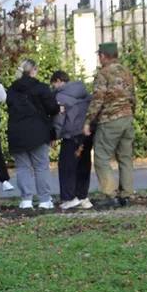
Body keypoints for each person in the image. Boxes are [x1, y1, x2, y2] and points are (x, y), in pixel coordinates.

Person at [83, 42, 137, 208]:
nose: (99, 58)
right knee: (125, 158)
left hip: (110, 120)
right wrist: (130, 113)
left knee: (101, 157)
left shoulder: (103, 74)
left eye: (99, 55)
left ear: (104, 56)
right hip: (127, 118)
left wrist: (88, 121)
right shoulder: (126, 72)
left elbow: (98, 99)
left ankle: (110, 194)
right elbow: (133, 97)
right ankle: (126, 195)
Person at [6, 58, 59, 210]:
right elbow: (51, 108)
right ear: (33, 70)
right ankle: (44, 200)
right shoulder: (41, 87)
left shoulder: (12, 89)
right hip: (37, 132)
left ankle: (26, 200)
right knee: (41, 166)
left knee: (22, 167)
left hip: (16, 133)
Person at [50, 70, 94, 210]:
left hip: (71, 135)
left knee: (66, 166)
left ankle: (69, 197)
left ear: (58, 81)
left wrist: (54, 135)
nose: (54, 87)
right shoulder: (84, 92)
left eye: (54, 84)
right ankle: (82, 195)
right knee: (84, 164)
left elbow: (59, 118)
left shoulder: (61, 96)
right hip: (86, 133)